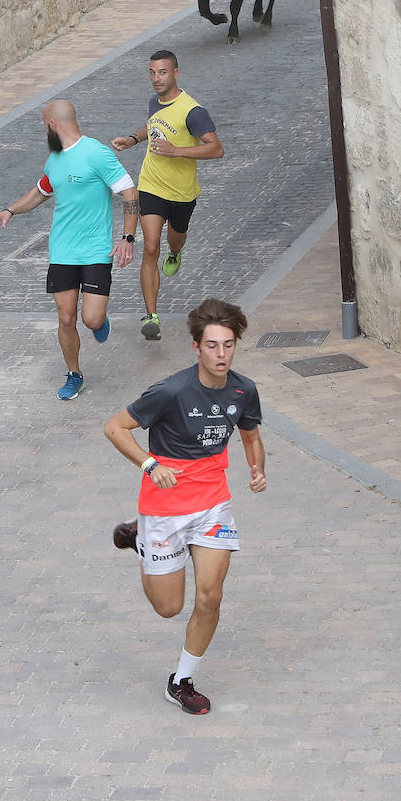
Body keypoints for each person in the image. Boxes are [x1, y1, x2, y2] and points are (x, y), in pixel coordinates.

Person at [103, 298, 265, 716]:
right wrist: (149, 463)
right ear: (196, 347)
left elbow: (250, 436)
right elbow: (114, 427)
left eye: (228, 345)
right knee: (168, 607)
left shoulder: (244, 390)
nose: (221, 354)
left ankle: (182, 679)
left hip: (212, 506)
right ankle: (140, 536)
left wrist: (256, 469)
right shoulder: (171, 390)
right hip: (164, 507)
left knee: (210, 596)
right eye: (212, 346)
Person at [0, 99, 138, 400]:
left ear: (53, 125)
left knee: (90, 319)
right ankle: (74, 374)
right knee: (66, 317)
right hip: (62, 252)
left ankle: (100, 319)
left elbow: (129, 192)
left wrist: (128, 238)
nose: (45, 132)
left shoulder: (96, 153)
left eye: (45, 127)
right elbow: (41, 192)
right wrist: (10, 210)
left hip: (95, 251)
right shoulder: (54, 159)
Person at [111, 50, 223, 341]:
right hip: (151, 185)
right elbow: (153, 126)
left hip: (182, 193)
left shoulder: (192, 111)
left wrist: (176, 151)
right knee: (150, 247)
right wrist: (134, 139)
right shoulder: (154, 103)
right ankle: (151, 316)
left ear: (175, 72)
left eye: (162, 72)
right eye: (152, 72)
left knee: (175, 238)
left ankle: (176, 252)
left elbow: (216, 148)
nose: (156, 79)